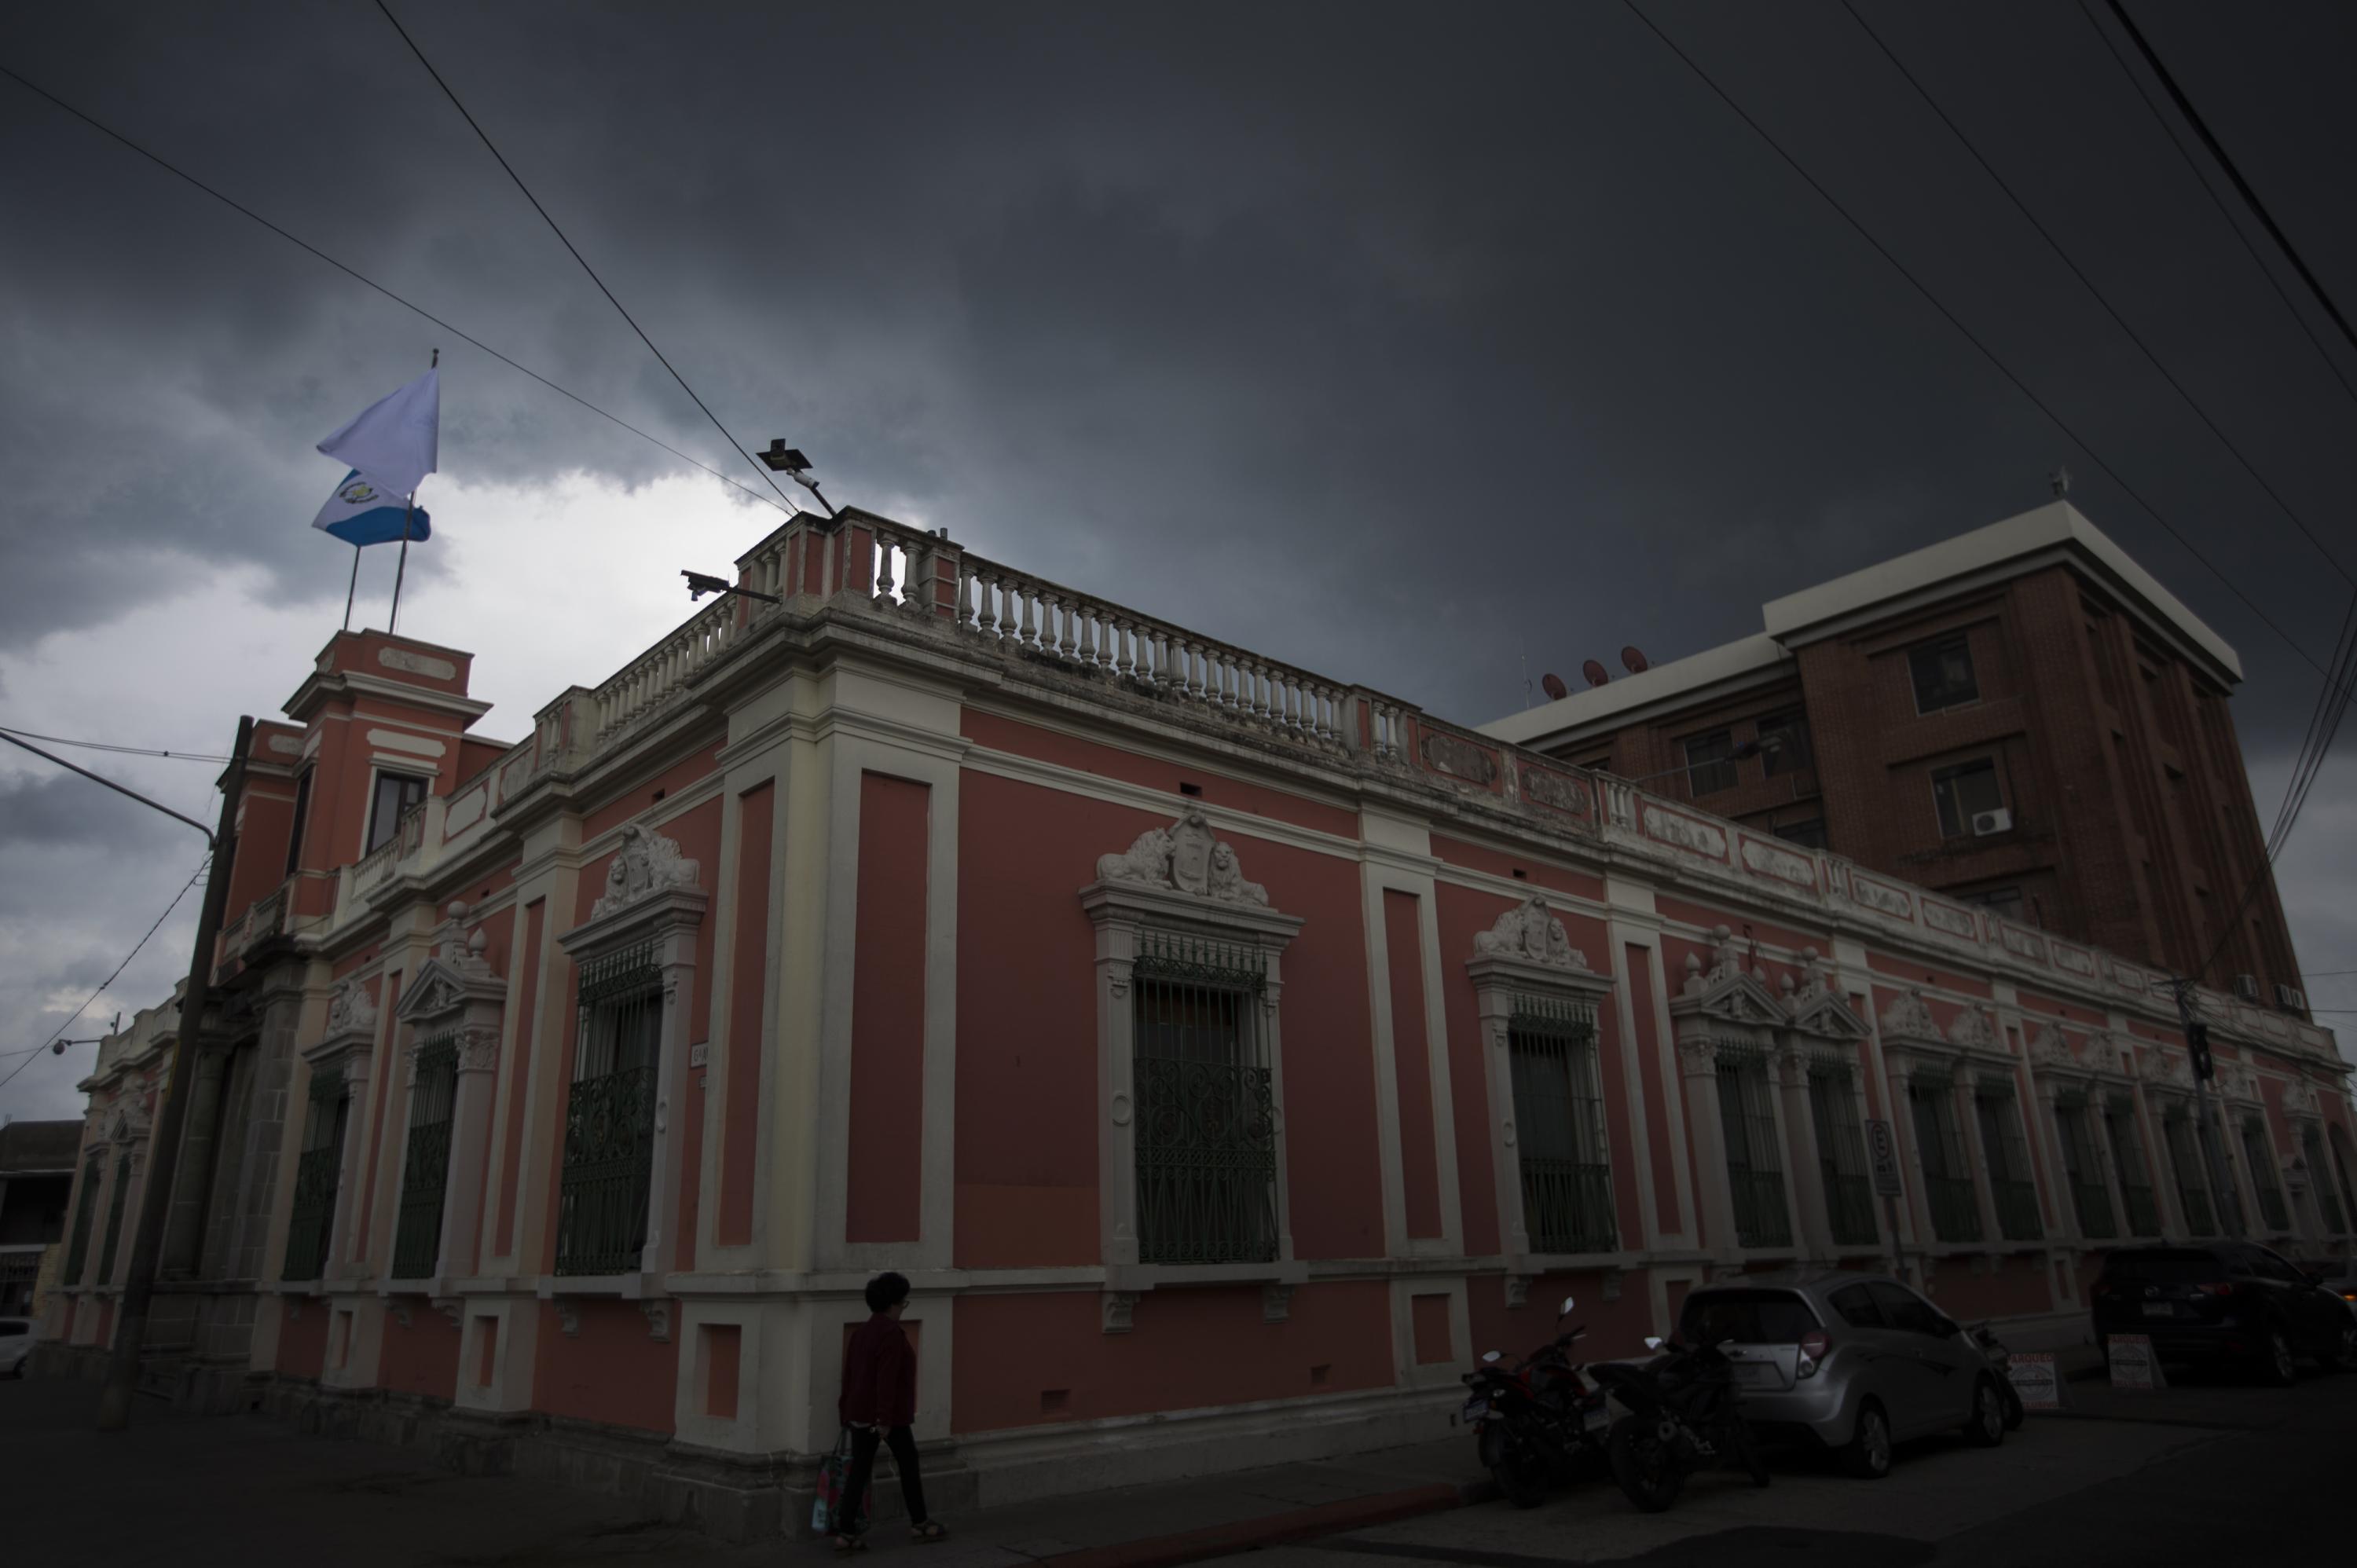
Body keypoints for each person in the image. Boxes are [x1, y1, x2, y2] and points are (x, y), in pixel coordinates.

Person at [831, 1271, 945, 1551]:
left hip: (859, 1416)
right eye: (903, 1303)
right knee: (908, 1462)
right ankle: (919, 1522)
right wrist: (883, 1419)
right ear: (893, 1304)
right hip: (885, 1418)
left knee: (859, 1469)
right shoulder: (890, 1334)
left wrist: (845, 1413)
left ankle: (845, 1533)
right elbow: (887, 1378)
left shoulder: (861, 1333)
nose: (903, 1309)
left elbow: (849, 1375)